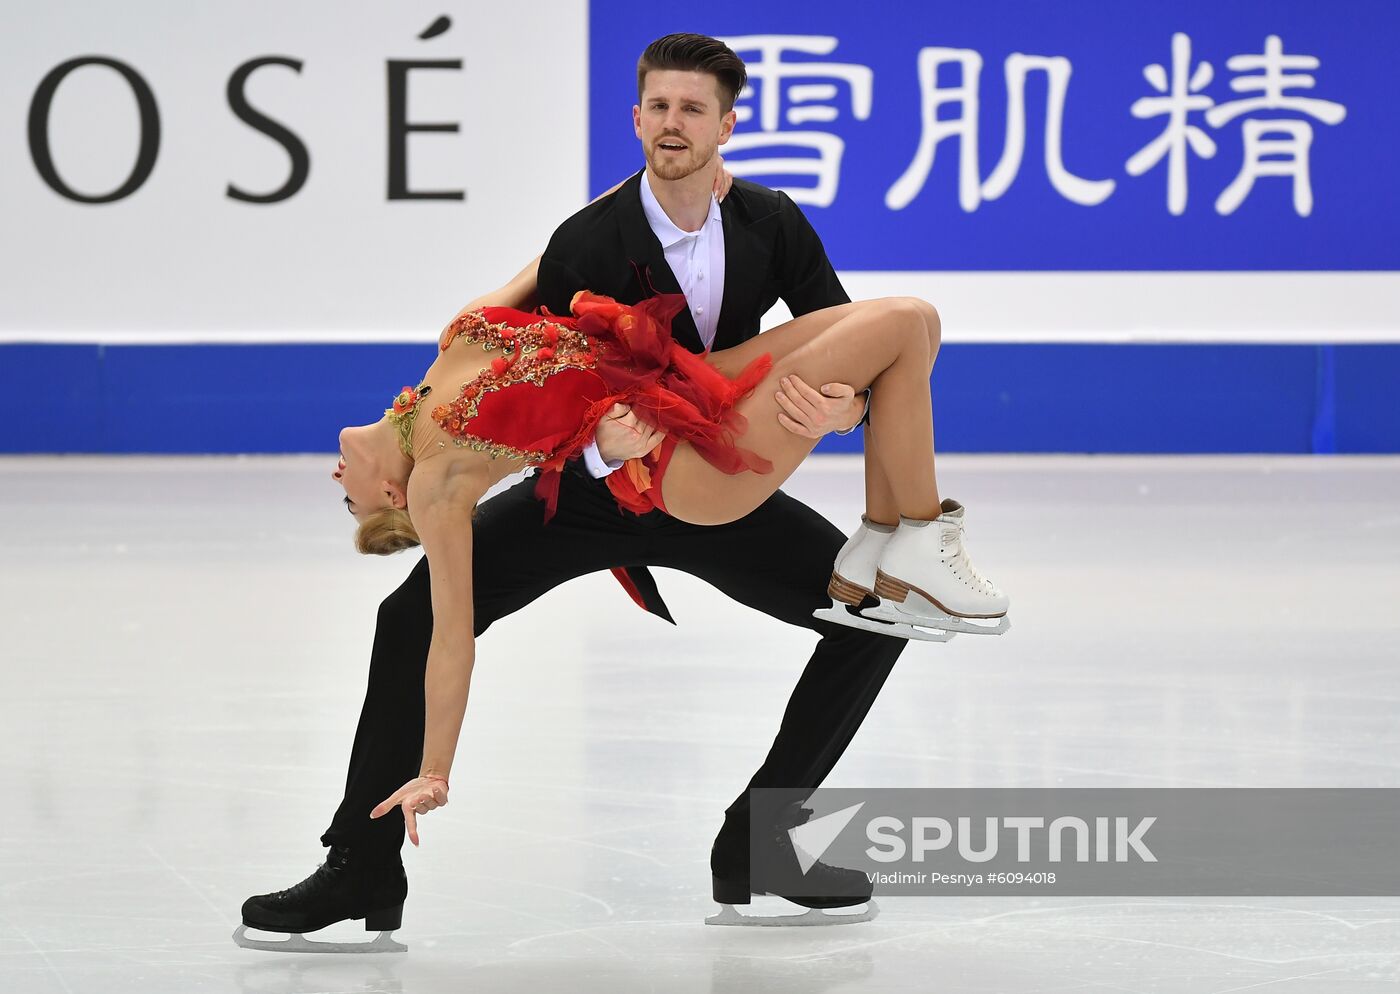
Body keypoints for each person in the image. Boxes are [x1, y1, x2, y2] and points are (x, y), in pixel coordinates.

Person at [236, 33, 1006, 950]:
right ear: (636, 117)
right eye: (658, 107)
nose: (671, 122)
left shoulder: (772, 222)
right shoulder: (588, 240)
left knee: (873, 616)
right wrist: (589, 444)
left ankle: (764, 841)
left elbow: (846, 348)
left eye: (692, 108)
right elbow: (521, 377)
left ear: (728, 123)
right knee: (411, 620)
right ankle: (360, 867)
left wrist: (838, 409)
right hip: (592, 491)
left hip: (717, 476)